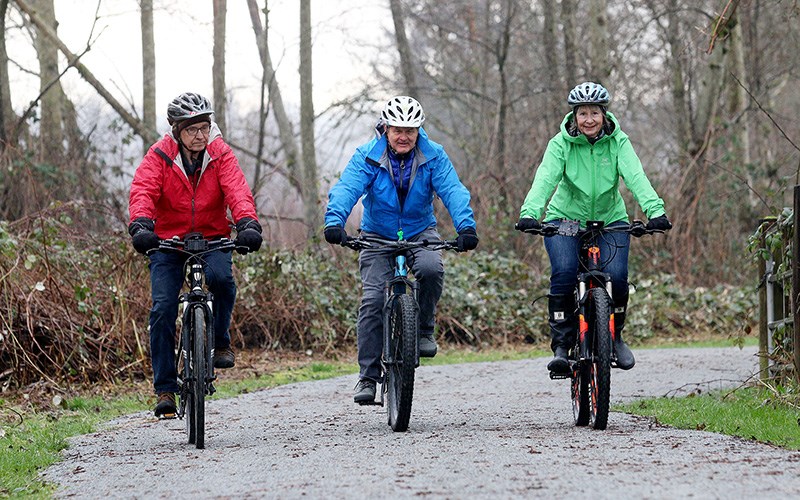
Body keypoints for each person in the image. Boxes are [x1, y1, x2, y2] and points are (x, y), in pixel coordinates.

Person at [324, 95, 479, 403]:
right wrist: (335, 221)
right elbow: (347, 188)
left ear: (419, 130)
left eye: (411, 130)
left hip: (420, 229)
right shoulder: (368, 156)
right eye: (398, 129)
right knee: (371, 301)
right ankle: (367, 377)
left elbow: (452, 190)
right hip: (377, 234)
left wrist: (466, 227)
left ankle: (423, 328)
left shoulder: (434, 155)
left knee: (431, 269)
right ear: (386, 129)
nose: (404, 136)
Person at [515, 82, 672, 374]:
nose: (589, 119)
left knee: (619, 278)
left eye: (595, 113)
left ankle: (616, 336)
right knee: (563, 274)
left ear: (604, 115)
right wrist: (530, 212)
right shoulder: (560, 144)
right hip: (565, 218)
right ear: (574, 116)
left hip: (611, 219)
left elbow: (636, 177)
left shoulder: (618, 142)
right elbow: (546, 178)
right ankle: (561, 345)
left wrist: (655, 211)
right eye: (583, 113)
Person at [128, 92, 263, 417]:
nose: (200, 135)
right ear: (176, 130)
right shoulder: (160, 155)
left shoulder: (220, 153)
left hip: (212, 235)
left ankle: (219, 340)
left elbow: (237, 189)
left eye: (204, 127)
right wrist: (141, 226)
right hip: (168, 241)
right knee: (162, 308)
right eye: (192, 130)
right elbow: (143, 189)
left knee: (222, 280)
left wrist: (247, 222)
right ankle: (165, 389)